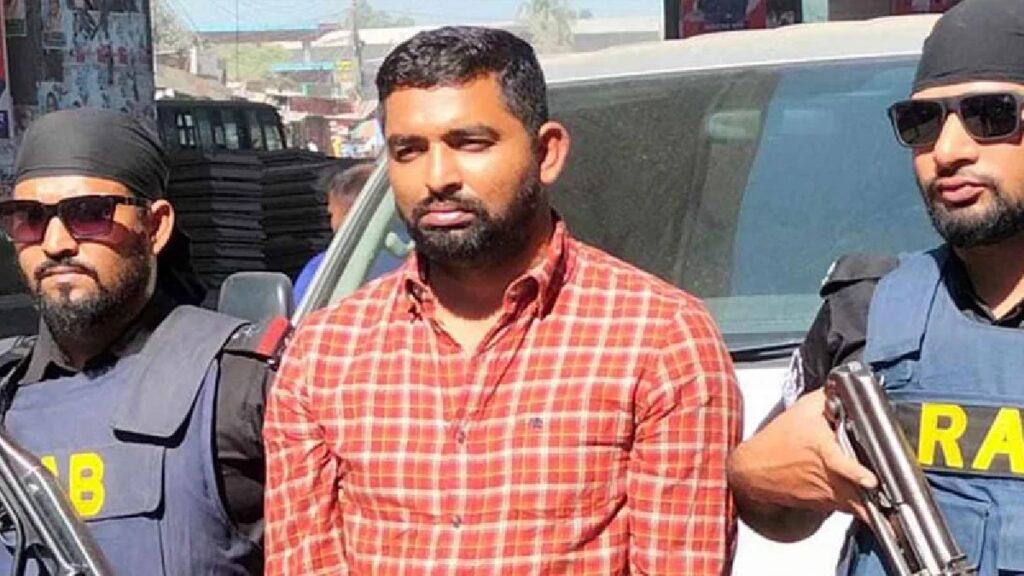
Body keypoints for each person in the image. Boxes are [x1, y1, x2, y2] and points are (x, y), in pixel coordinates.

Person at [264, 26, 741, 575]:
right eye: (409, 151)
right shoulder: (325, 351)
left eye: (470, 143)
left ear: (547, 153)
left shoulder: (659, 340)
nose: (438, 177)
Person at [728, 1, 1024, 574]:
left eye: (990, 115)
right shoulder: (867, 310)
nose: (947, 151)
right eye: (922, 122)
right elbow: (780, 510)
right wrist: (756, 477)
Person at [0, 108, 272, 574]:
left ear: (156, 226)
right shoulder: (8, 390)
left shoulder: (239, 386)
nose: (56, 242)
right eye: (29, 218)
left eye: (90, 214)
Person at [292, 162, 373, 305]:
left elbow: (303, 314)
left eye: (331, 214)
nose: (331, 223)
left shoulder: (322, 270)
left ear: (349, 217)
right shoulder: (412, 261)